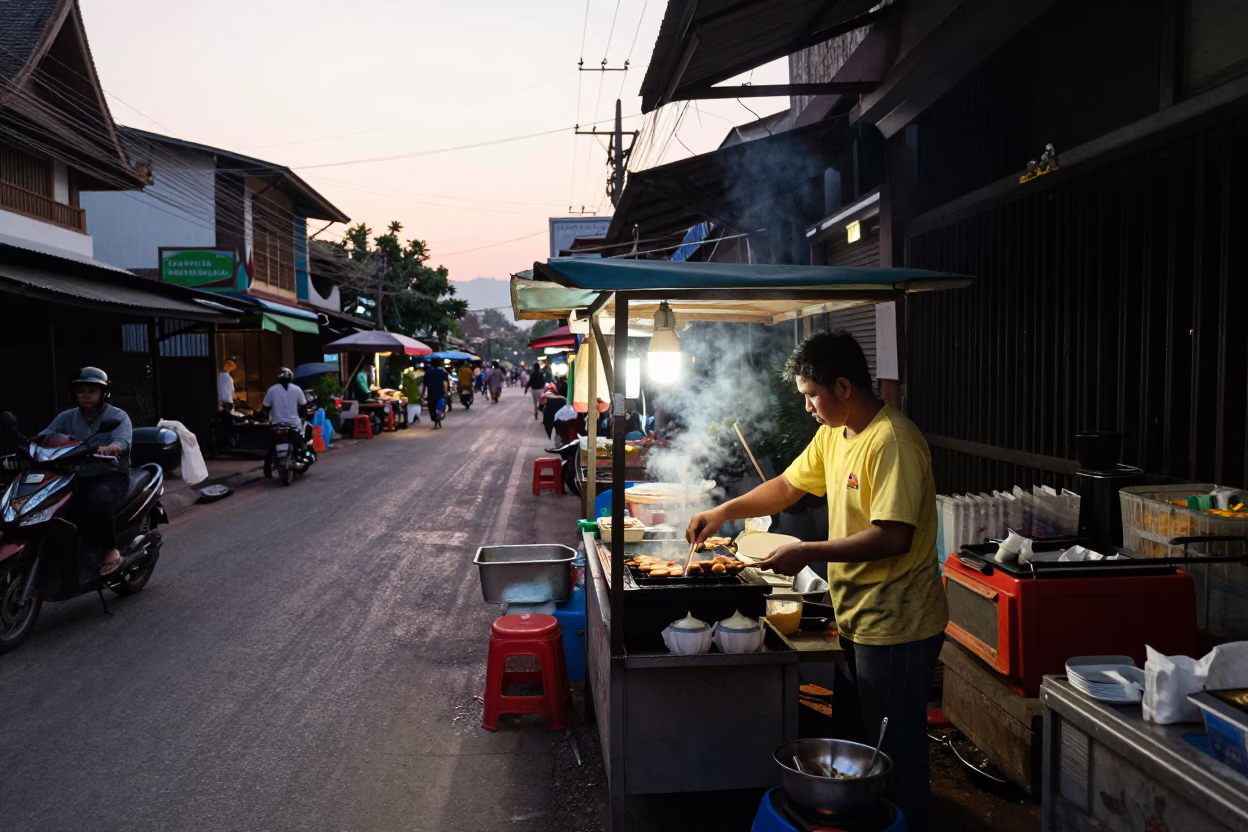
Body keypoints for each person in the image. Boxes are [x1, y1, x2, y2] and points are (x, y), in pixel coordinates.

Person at [686, 332, 947, 832]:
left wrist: (807, 551)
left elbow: (892, 537)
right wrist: (723, 511)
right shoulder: (836, 432)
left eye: (812, 394)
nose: (807, 405)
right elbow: (787, 486)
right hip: (857, 615)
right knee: (855, 747)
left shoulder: (892, 441)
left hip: (898, 624)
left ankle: (909, 823)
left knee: (895, 752)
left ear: (844, 386)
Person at [41, 367, 132, 577]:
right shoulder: (66, 417)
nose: (86, 395)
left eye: (92, 391)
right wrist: (28, 448)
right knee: (55, 504)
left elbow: (122, 441)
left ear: (103, 393)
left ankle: (111, 550)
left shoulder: (117, 416)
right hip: (76, 475)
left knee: (96, 500)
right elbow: (45, 437)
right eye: (81, 391)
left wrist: (111, 448)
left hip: (110, 474)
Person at [256, 368, 308, 460]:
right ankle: (302, 454)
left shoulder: (272, 390)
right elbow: (303, 406)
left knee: (272, 446)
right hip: (294, 424)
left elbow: (265, 407)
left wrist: (261, 415)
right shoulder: (297, 389)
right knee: (301, 444)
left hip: (277, 424)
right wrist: (303, 415)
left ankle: (270, 464)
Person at [423, 359, 450, 429]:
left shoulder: (428, 373)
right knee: (440, 407)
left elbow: (424, 385)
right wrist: (446, 392)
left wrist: (422, 395)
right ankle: (438, 419)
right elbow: (446, 383)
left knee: (431, 409)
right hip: (440, 393)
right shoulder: (443, 372)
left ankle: (436, 422)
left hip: (431, 394)